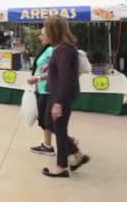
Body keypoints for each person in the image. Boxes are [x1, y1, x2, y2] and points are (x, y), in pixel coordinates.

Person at [29, 16, 89, 178]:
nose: (42, 34)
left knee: (59, 129)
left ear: (53, 31)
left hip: (59, 96)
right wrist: (44, 74)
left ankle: (61, 166)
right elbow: (59, 74)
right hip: (56, 94)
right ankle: (77, 155)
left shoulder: (63, 50)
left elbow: (65, 79)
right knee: (53, 125)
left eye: (45, 30)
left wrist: (59, 103)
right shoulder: (62, 48)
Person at [26, 27, 55, 155]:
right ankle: (47, 145)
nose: (39, 37)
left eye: (42, 34)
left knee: (48, 120)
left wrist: (38, 78)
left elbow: (55, 71)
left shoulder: (51, 50)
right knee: (44, 119)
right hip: (42, 88)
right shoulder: (47, 49)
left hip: (47, 90)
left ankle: (71, 147)